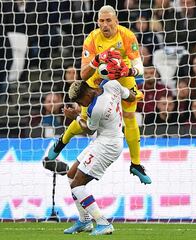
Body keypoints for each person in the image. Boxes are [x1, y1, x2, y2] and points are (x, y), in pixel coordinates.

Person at [47, 5, 152, 184]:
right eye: (101, 21)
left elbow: (140, 67)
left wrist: (128, 71)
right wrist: (97, 60)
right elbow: (83, 74)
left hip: (123, 75)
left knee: (129, 116)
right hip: (97, 77)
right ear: (97, 22)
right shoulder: (92, 39)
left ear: (116, 21)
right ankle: (62, 141)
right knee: (84, 118)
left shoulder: (127, 35)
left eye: (108, 20)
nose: (105, 25)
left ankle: (135, 164)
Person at [62, 80, 135, 235]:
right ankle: (84, 221)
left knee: (77, 185)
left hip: (107, 145)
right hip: (104, 140)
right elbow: (131, 97)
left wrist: (75, 117)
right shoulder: (111, 84)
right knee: (71, 175)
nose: (82, 105)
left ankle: (103, 223)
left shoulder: (95, 109)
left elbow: (88, 130)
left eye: (81, 102)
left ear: (87, 94)